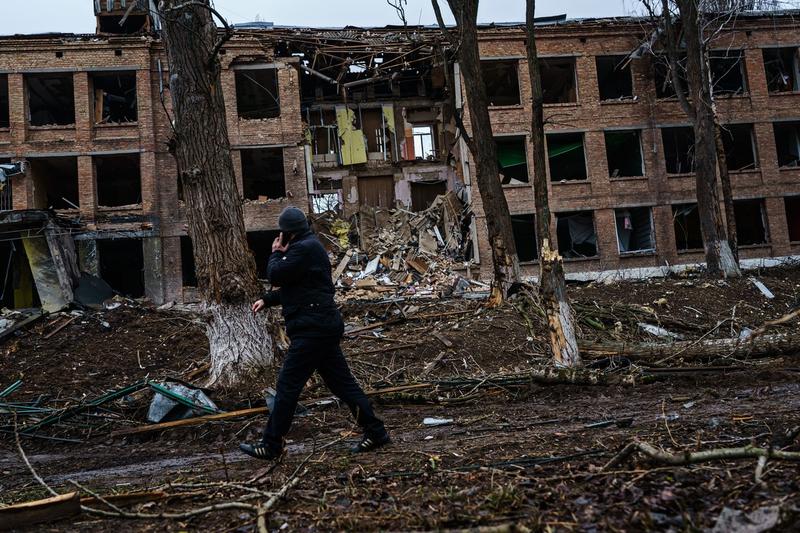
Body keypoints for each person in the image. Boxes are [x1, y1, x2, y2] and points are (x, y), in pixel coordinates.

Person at [239, 206, 390, 460]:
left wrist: (275, 252)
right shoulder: (308, 247)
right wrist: (268, 299)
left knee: (287, 387)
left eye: (281, 233)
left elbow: (275, 274)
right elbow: (301, 288)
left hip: (312, 330)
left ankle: (271, 444)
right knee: (343, 385)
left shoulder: (303, 249)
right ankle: (376, 431)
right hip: (321, 326)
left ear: (287, 233)